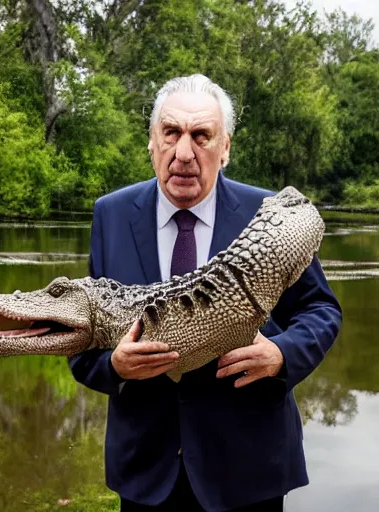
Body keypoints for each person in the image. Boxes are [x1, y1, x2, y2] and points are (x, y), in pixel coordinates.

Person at [69, 74, 342, 512]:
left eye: (201, 136)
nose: (183, 153)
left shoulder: (270, 214)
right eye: (171, 132)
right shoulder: (111, 214)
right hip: (146, 469)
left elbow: (320, 309)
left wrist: (282, 355)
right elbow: (84, 336)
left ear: (226, 147)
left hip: (248, 468)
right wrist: (115, 367)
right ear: (152, 141)